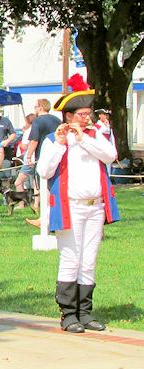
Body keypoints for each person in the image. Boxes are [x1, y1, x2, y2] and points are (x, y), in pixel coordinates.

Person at [36, 74, 119, 334]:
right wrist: (62, 144)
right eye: (81, 114)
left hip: (95, 206)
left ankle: (85, 312)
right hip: (70, 206)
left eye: (88, 113)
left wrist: (84, 137)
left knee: (89, 259)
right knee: (71, 258)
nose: (87, 117)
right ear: (69, 116)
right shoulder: (54, 139)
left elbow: (110, 155)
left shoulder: (95, 136)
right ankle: (68, 313)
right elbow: (45, 170)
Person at [25, 99, 62, 227]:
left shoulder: (37, 121)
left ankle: (44, 219)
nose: (34, 109)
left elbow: (34, 141)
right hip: (58, 156)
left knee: (44, 190)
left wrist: (28, 156)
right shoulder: (57, 120)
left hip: (43, 159)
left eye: (35, 107)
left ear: (40, 107)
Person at [14, 113, 36, 194]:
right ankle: (36, 203)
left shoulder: (28, 131)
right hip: (37, 159)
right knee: (35, 182)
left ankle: (21, 203)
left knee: (18, 182)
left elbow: (23, 146)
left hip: (29, 160)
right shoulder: (39, 130)